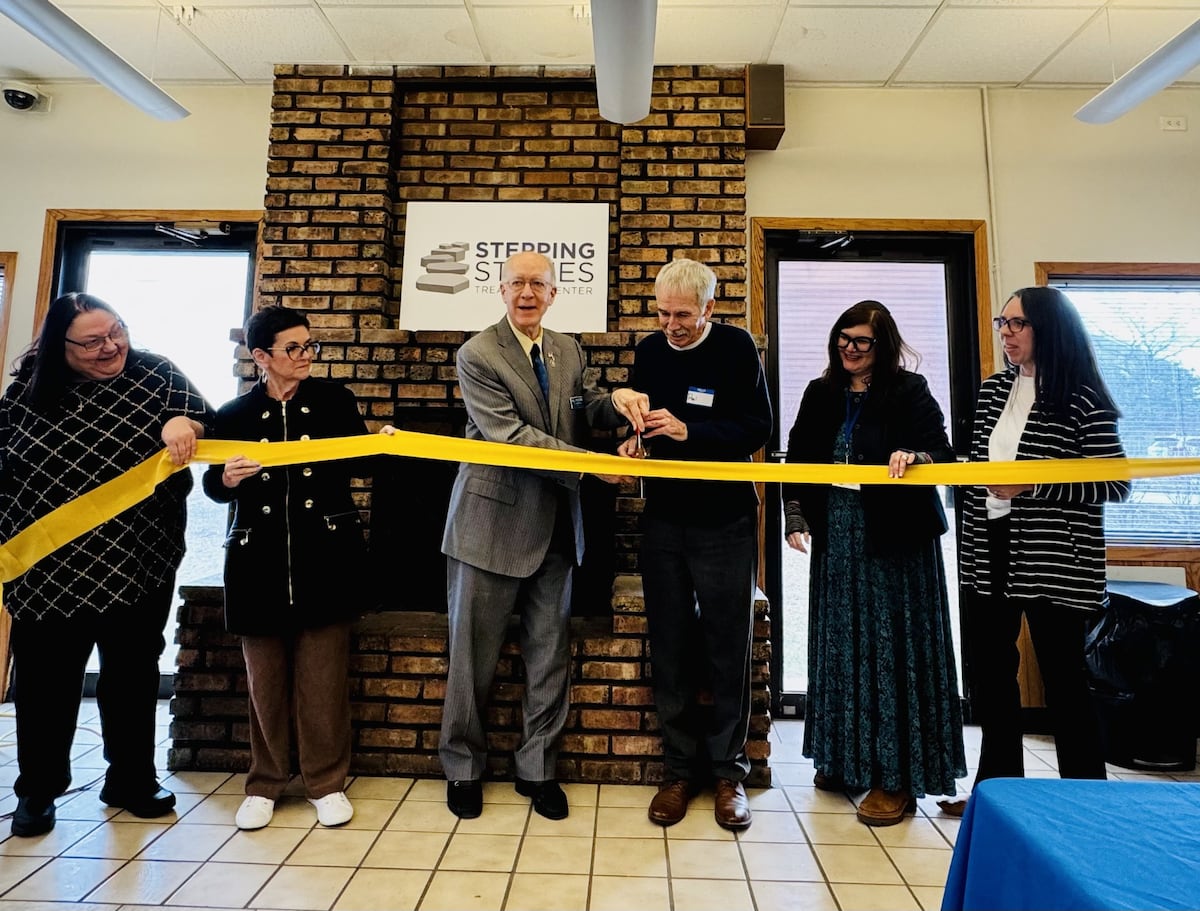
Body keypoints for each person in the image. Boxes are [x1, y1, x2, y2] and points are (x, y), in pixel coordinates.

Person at [437, 251, 648, 821]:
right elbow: (509, 437)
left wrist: (619, 403)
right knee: (471, 662)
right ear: (500, 290)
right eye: (517, 284)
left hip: (557, 527)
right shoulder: (478, 353)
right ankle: (462, 769)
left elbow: (582, 410)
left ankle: (537, 771)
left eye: (539, 284)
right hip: (489, 527)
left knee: (549, 657)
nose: (528, 293)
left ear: (554, 293)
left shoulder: (568, 349)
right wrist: (592, 465)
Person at [0, 292, 211, 837]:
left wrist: (183, 422)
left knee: (133, 675)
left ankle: (131, 779)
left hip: (138, 560)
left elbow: (210, 421)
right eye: (92, 341)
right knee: (46, 682)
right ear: (59, 346)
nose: (110, 346)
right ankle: (38, 790)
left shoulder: (156, 374)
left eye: (116, 331)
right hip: (48, 568)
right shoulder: (25, 391)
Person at [940, 286, 1128, 817]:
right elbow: (977, 467)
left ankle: (1085, 798)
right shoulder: (992, 390)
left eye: (1018, 324)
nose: (1006, 333)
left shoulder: (1083, 398)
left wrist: (1034, 488)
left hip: (1056, 560)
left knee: (1064, 679)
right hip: (986, 549)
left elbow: (1114, 484)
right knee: (992, 677)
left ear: (1049, 329)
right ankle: (997, 795)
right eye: (1003, 323)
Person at [782, 300, 966, 827]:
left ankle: (896, 777)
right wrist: (796, 513)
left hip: (896, 543)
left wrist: (916, 458)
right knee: (841, 645)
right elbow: (799, 457)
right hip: (838, 538)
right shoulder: (821, 393)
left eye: (861, 341)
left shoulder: (909, 390)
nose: (850, 349)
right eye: (843, 338)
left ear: (882, 345)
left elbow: (943, 455)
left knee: (890, 653)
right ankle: (845, 759)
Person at [203, 306, 375, 831]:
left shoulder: (334, 401)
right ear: (261, 357)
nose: (305, 357)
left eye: (309, 347)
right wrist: (228, 480)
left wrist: (378, 441)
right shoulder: (232, 414)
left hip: (326, 553)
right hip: (257, 559)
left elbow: (363, 459)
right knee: (265, 679)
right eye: (293, 349)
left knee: (323, 678)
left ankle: (325, 782)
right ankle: (265, 782)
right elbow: (210, 485)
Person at [616, 257, 771, 832]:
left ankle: (731, 774)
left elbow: (758, 428)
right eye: (661, 313)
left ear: (710, 308)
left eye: (682, 314)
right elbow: (646, 426)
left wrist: (691, 433)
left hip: (726, 520)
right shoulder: (651, 352)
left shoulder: (735, 349)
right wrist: (634, 443)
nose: (670, 324)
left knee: (728, 646)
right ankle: (679, 770)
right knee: (673, 644)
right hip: (664, 519)